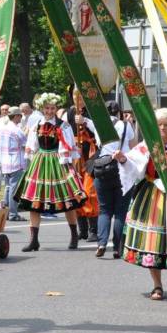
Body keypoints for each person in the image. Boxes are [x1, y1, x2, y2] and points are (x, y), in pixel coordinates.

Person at [119, 108, 167, 297]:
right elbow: (133, 164)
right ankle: (157, 285)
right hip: (152, 196)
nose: (162, 128)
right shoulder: (147, 145)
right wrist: (123, 159)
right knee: (152, 242)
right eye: (159, 125)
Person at [16, 92, 87, 251]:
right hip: (40, 162)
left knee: (68, 201)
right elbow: (33, 145)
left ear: (56, 109)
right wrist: (31, 161)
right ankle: (34, 240)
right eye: (47, 108)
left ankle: (74, 235)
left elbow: (67, 146)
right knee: (35, 203)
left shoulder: (63, 126)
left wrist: (69, 165)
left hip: (59, 162)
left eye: (52, 108)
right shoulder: (36, 125)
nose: (49, 111)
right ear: (42, 108)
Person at [94, 101, 134, 258]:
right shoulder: (125, 125)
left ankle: (101, 243)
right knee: (120, 211)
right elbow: (133, 146)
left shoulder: (99, 126)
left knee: (104, 210)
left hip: (102, 169)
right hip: (122, 169)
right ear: (119, 112)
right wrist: (130, 124)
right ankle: (117, 247)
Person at [67, 86, 99, 242]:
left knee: (90, 191)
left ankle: (93, 230)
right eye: (75, 96)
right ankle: (83, 229)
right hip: (76, 156)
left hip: (91, 156)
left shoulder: (94, 111)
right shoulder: (71, 112)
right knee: (76, 191)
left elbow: (99, 131)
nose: (78, 99)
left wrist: (86, 122)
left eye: (80, 96)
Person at [0, 106, 27, 221]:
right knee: (14, 189)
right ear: (16, 116)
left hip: (5, 162)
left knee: (8, 188)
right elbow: (25, 144)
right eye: (20, 116)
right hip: (15, 162)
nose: (21, 118)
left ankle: (6, 212)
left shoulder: (3, 128)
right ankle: (13, 213)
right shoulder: (17, 130)